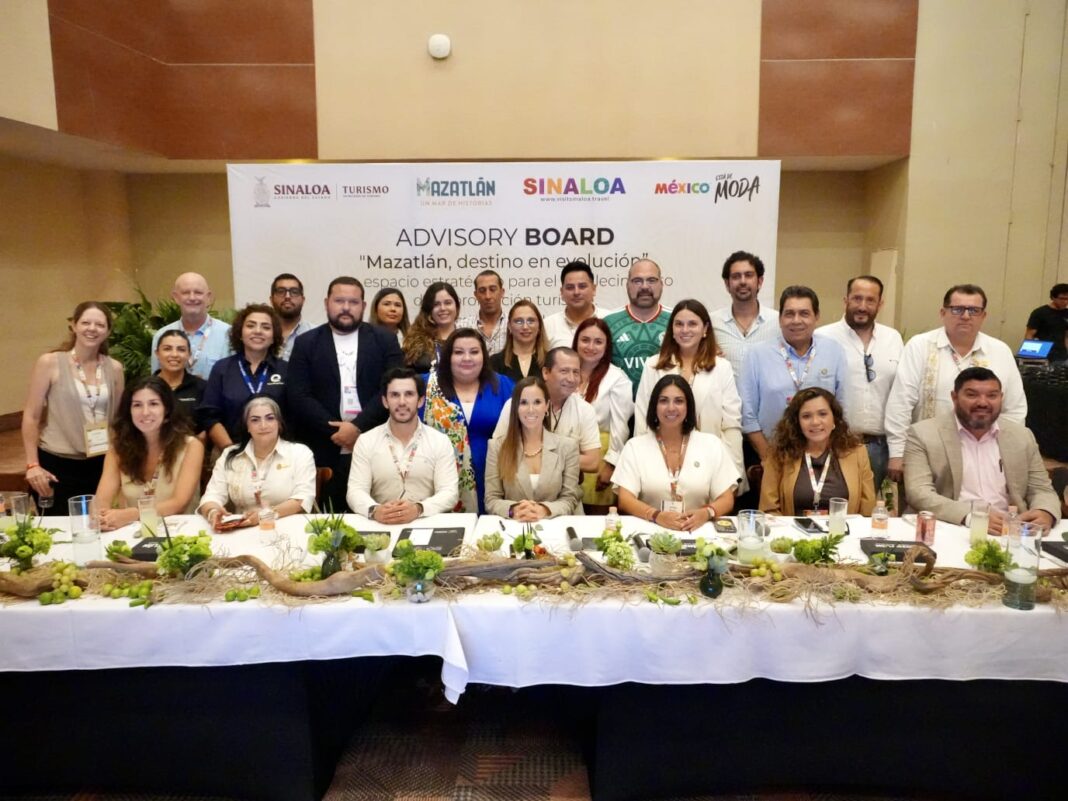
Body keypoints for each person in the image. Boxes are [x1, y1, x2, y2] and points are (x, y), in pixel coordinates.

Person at [885, 284, 1026, 482]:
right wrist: (897, 452)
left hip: (985, 455)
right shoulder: (920, 346)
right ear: (943, 313)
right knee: (922, 501)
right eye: (957, 309)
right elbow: (901, 402)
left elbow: (1015, 409)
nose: (966, 316)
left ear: (983, 316)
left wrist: (1008, 451)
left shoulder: (1000, 351)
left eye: (974, 310)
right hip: (926, 453)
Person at [287, 277, 404, 511]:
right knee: (331, 520)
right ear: (326, 303)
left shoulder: (384, 340)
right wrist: (337, 431)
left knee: (381, 514)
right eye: (339, 301)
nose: (346, 307)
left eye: (353, 302)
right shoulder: (306, 343)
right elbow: (298, 395)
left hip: (375, 443)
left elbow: (391, 388)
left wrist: (357, 427)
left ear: (363, 305)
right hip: (324, 448)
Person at [903, 367, 1059, 532]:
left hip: (1011, 529)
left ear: (1001, 398)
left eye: (992, 396)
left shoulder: (1022, 436)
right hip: (952, 526)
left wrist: (1045, 512)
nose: (983, 403)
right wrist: (971, 517)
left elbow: (1041, 489)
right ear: (954, 397)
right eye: (972, 395)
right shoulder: (923, 434)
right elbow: (919, 493)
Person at [22, 301, 125, 514]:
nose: (92, 329)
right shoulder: (50, 362)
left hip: (100, 464)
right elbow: (32, 416)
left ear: (108, 331)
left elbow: (117, 420)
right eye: (86, 322)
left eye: (100, 324)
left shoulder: (114, 368)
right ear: (74, 325)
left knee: (99, 524)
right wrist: (32, 465)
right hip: (57, 464)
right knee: (57, 528)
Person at [634, 299, 744, 482]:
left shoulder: (722, 367)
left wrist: (734, 474)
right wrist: (641, 466)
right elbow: (642, 419)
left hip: (710, 462)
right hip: (662, 460)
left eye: (692, 324)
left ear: (705, 329)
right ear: (671, 330)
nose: (685, 330)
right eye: (679, 324)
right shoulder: (653, 365)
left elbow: (731, 424)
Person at [613, 375, 739, 531]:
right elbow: (625, 499)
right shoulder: (635, 447)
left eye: (679, 401)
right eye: (663, 401)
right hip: (650, 530)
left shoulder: (711, 444)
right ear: (654, 406)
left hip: (697, 531)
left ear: (688, 406)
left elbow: (726, 499)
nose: (671, 408)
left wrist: (706, 513)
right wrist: (657, 516)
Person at [739, 286, 848, 462]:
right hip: (772, 453)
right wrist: (769, 457)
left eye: (804, 313)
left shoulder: (833, 351)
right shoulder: (757, 355)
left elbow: (842, 407)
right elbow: (747, 414)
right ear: (780, 319)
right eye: (789, 314)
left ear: (816, 317)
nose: (796, 320)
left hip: (824, 456)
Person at [816, 276, 903, 490]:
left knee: (869, 506)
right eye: (857, 298)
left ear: (880, 304)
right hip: (835, 444)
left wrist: (897, 450)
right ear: (846, 300)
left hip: (879, 446)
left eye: (870, 300)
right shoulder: (822, 337)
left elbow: (901, 395)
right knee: (834, 504)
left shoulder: (893, 338)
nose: (862, 306)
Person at [346, 367, 459, 522]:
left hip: (426, 523)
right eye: (394, 395)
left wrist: (419, 509)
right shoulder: (366, 441)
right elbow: (355, 491)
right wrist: (375, 510)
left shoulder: (439, 441)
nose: (402, 402)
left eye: (409, 394)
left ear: (420, 401)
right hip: (380, 524)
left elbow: (449, 492)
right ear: (385, 401)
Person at [422, 328, 514, 513]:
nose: (467, 358)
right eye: (458, 352)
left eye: (474, 352)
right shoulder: (426, 386)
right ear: (448, 357)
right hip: (439, 480)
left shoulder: (504, 385)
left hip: (494, 478)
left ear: (484, 356)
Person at [95, 376, 205, 529]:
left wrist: (133, 514)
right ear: (129, 411)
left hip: (180, 532)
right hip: (131, 533)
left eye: (153, 404)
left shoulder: (191, 446)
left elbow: (179, 503)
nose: (145, 412)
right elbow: (101, 501)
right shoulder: (118, 449)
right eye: (137, 405)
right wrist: (101, 518)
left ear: (167, 409)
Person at [198, 396, 316, 529]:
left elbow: (303, 499)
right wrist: (213, 512)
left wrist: (266, 515)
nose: (263, 425)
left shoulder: (300, 453)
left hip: (288, 527)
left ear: (279, 423)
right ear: (247, 426)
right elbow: (212, 496)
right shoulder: (230, 455)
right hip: (241, 530)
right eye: (255, 420)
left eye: (270, 418)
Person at [759, 387, 875, 516]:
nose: (815, 422)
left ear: (834, 418)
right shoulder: (780, 453)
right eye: (806, 416)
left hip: (841, 528)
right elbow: (769, 510)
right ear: (797, 422)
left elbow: (867, 511)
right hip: (792, 528)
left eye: (822, 414)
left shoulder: (857, 453)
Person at [485, 377, 584, 519]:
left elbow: (570, 498)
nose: (531, 410)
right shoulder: (496, 447)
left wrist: (544, 510)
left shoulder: (568, 447)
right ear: (515, 408)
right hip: (515, 525)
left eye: (537, 402)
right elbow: (491, 499)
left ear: (547, 406)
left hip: (555, 525)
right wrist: (514, 510)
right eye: (524, 402)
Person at [493, 347, 602, 474]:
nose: (571, 379)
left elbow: (592, 462)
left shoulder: (585, 410)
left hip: (566, 484)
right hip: (519, 480)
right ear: (546, 372)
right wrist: (565, 457)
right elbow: (498, 451)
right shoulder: (516, 404)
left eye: (576, 372)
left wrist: (536, 455)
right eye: (564, 371)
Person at [198, 303, 287, 452]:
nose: (258, 331)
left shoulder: (286, 370)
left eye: (266, 327)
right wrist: (231, 451)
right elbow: (209, 416)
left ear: (273, 337)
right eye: (251, 326)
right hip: (230, 449)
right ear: (240, 333)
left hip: (279, 452)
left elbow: (294, 416)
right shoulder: (222, 369)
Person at [573, 317, 633, 512]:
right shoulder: (565, 372)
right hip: (566, 452)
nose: (591, 347)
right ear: (576, 341)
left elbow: (620, 426)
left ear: (606, 346)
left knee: (595, 516)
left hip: (600, 454)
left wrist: (611, 465)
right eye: (585, 340)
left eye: (598, 342)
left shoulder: (616, 378)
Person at [604, 258, 672, 395]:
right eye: (637, 281)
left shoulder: (677, 320)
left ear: (661, 284)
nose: (645, 287)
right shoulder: (608, 323)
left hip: (667, 405)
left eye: (651, 280)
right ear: (627, 285)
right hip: (619, 407)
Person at [710, 251, 780, 379]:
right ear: (727, 284)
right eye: (736, 276)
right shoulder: (712, 322)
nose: (742, 281)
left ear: (760, 281)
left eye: (748, 275)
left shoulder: (778, 322)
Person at [150, 272, 232, 379]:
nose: (192, 297)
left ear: (208, 297)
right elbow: (156, 380)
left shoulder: (227, 334)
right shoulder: (162, 335)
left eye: (198, 292)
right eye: (185, 292)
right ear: (176, 297)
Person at [543, 261, 612, 348]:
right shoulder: (547, 325)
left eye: (582, 286)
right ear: (562, 292)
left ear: (594, 289)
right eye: (570, 287)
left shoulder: (611, 320)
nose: (576, 292)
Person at [154, 329, 205, 433]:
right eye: (167, 349)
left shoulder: (202, 388)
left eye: (181, 350)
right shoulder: (144, 388)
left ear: (189, 354)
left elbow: (208, 426)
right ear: (157, 353)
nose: (174, 354)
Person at [403, 281, 460, 372]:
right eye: (436, 304)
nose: (443, 308)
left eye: (448, 303)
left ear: (457, 306)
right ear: (429, 309)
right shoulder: (415, 341)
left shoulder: (467, 338)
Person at [489, 299, 549, 382]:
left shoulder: (551, 361)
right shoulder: (495, 362)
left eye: (531, 321)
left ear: (539, 326)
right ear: (509, 326)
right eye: (519, 321)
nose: (525, 327)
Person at [458, 270, 507, 355]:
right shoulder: (461, 326)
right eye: (482, 290)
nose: (488, 296)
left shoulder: (513, 326)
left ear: (502, 292)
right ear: (476, 295)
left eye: (492, 289)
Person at [270, 273, 313, 361]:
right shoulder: (261, 333)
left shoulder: (316, 334)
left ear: (303, 300)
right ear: (271, 299)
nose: (287, 296)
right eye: (281, 291)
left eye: (294, 292)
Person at [1024, 283, 1068, 363]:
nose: (1065, 302)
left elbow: (1066, 336)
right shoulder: (1040, 313)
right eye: (1062, 299)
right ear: (1053, 297)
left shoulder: (1066, 313)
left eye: (1067, 299)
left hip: (1061, 356)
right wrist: (1031, 357)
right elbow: (1029, 335)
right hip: (1043, 354)